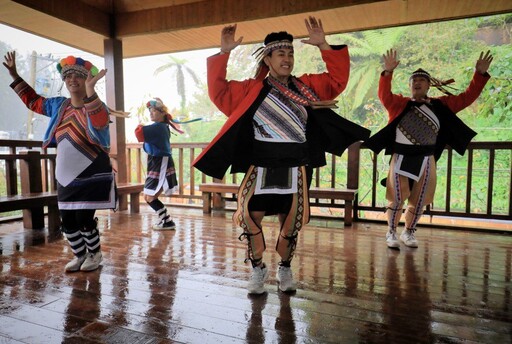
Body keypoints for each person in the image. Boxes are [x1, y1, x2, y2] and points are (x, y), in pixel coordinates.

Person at [193, 16, 370, 294]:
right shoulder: (252, 89)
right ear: (267, 59)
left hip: (297, 165)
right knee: (249, 216)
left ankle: (285, 267)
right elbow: (219, 92)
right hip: (261, 164)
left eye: (290, 53)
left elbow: (337, 80)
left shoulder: (306, 86)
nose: (286, 58)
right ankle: (257, 268)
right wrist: (224, 53)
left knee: (291, 221)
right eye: (280, 53)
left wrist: (323, 44)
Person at [365, 49, 493, 249]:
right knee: (398, 196)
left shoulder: (441, 105)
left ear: (429, 85)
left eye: (422, 80)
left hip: (426, 158)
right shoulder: (398, 103)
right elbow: (384, 94)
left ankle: (409, 232)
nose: (417, 82)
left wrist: (479, 74)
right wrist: (387, 72)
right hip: (400, 157)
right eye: (414, 80)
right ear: (409, 86)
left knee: (420, 198)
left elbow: (467, 97)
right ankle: (391, 232)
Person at [3, 52, 115, 271]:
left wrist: (91, 92)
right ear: (64, 80)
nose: (72, 80)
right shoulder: (58, 106)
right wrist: (15, 75)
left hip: (92, 169)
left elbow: (100, 122)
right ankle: (80, 255)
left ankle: (95, 254)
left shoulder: (97, 106)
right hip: (65, 173)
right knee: (67, 219)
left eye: (78, 76)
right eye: (68, 76)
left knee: (84, 217)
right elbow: (34, 101)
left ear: (87, 80)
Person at [135, 98, 183, 230]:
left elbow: (139, 134)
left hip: (160, 162)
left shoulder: (158, 127)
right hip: (157, 162)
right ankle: (167, 221)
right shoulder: (162, 127)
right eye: (150, 110)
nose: (151, 113)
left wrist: (139, 124)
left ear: (162, 113)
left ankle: (167, 221)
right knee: (147, 196)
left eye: (154, 110)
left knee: (149, 196)